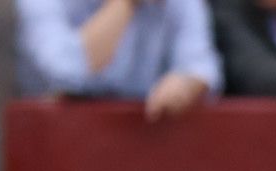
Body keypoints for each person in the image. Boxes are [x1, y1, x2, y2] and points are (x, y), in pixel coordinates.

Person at [15, 0, 222, 121]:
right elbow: (65, 72)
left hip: (146, 146)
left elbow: (202, 65)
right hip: (57, 154)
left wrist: (185, 84)